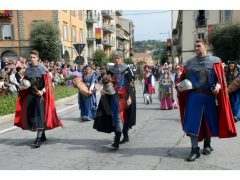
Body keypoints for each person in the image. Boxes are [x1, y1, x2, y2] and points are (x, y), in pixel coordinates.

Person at [177, 39, 237, 162]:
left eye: (199, 46)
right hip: (194, 97)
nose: (196, 48)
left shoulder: (215, 61)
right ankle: (194, 150)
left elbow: (221, 80)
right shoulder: (189, 63)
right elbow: (183, 80)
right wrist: (180, 86)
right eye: (195, 46)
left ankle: (207, 145)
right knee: (193, 122)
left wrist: (218, 87)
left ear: (206, 46)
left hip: (209, 96)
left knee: (208, 121)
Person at [14, 50, 63, 148]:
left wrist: (42, 91)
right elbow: (26, 82)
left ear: (38, 58)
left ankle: (38, 139)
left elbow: (48, 84)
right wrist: (22, 86)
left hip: (40, 95)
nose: (32, 59)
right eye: (31, 57)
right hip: (31, 95)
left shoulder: (43, 69)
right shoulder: (28, 70)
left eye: (33, 57)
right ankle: (43, 134)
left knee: (39, 116)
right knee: (32, 115)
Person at [93, 52, 136, 150]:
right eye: (115, 58)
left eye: (118, 58)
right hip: (113, 95)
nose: (117, 60)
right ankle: (122, 138)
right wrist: (97, 88)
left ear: (122, 59)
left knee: (121, 117)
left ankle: (117, 141)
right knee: (118, 117)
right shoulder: (111, 70)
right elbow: (105, 81)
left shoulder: (127, 69)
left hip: (124, 96)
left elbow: (131, 84)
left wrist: (130, 97)